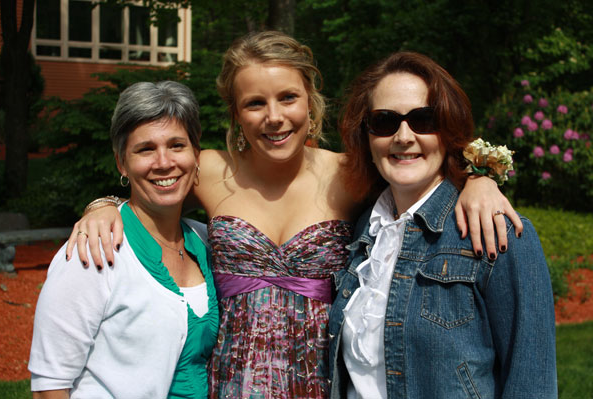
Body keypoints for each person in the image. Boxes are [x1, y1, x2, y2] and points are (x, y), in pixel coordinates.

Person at [65, 32, 522, 398]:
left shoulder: (349, 174)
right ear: (236, 114)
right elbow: (154, 178)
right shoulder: (209, 171)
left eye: (287, 98)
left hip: (320, 383)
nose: (274, 117)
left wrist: (478, 180)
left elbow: (418, 164)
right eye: (255, 103)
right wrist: (103, 207)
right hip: (232, 383)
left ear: (310, 101)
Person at [328, 52, 557, 398]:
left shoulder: (498, 234)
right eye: (385, 122)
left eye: (423, 119)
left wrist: (482, 179)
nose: (403, 136)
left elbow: (532, 384)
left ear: (448, 131)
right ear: (367, 138)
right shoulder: (362, 232)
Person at [28, 81, 219, 399]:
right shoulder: (93, 249)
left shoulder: (207, 241)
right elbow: (50, 387)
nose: (163, 162)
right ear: (121, 162)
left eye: (176, 145)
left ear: (196, 154)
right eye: (145, 149)